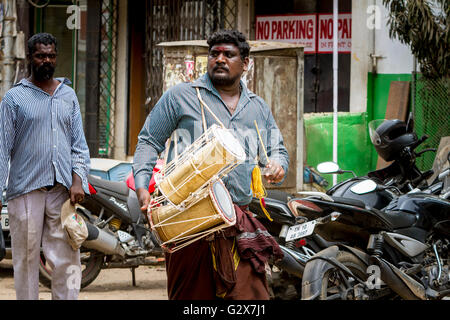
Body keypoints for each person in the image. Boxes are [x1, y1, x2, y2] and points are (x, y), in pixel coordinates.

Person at [133, 29, 289, 300]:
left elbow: (277, 150)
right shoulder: (181, 96)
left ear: (245, 63)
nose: (220, 59)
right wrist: (142, 183)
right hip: (187, 220)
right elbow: (148, 141)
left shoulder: (258, 107)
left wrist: (277, 164)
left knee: (251, 298)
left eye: (229, 54)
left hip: (237, 219)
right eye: (214, 54)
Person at [0, 33, 90, 300]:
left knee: (68, 258)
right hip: (25, 191)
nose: (46, 60)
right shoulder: (14, 99)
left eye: (51, 55)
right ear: (30, 58)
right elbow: (2, 150)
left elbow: (79, 145)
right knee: (26, 260)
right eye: (41, 55)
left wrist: (78, 180)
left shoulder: (68, 96)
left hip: (61, 192)